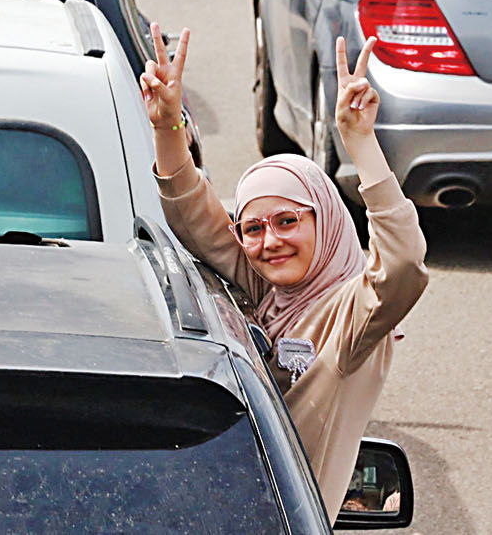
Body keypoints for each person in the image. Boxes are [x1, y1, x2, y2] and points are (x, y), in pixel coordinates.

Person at [139, 27, 427, 519]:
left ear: (327, 218)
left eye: (289, 221)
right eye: (253, 227)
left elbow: (402, 264)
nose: (270, 242)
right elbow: (194, 217)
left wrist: (361, 145)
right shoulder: (264, 287)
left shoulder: (354, 320)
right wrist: (168, 128)